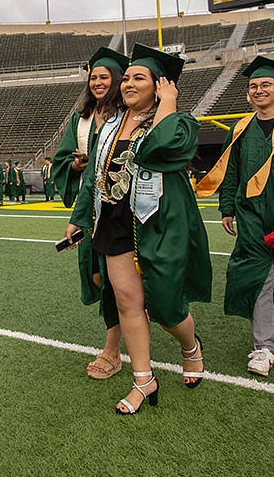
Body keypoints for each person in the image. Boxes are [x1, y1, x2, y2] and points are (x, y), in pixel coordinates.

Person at [65, 44, 212, 414]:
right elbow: (94, 180)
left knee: (164, 304)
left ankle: (190, 346)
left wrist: (168, 103)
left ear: (160, 85)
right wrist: (80, 217)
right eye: (127, 78)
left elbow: (161, 148)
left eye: (138, 78)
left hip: (160, 222)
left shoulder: (180, 122)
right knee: (128, 302)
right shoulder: (110, 124)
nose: (128, 83)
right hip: (115, 221)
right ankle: (143, 380)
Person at [197, 56, 274, 374]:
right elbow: (230, 171)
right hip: (251, 215)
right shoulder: (241, 128)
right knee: (258, 276)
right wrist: (227, 208)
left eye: (265, 84)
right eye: (253, 86)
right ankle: (263, 348)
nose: (259, 89)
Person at [53, 47, 127, 379]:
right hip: (90, 205)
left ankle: (112, 350)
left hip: (120, 206)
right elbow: (62, 159)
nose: (97, 82)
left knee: (118, 280)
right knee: (98, 276)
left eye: (104, 77)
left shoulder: (126, 116)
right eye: (93, 77)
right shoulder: (80, 120)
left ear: (116, 81)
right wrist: (74, 162)